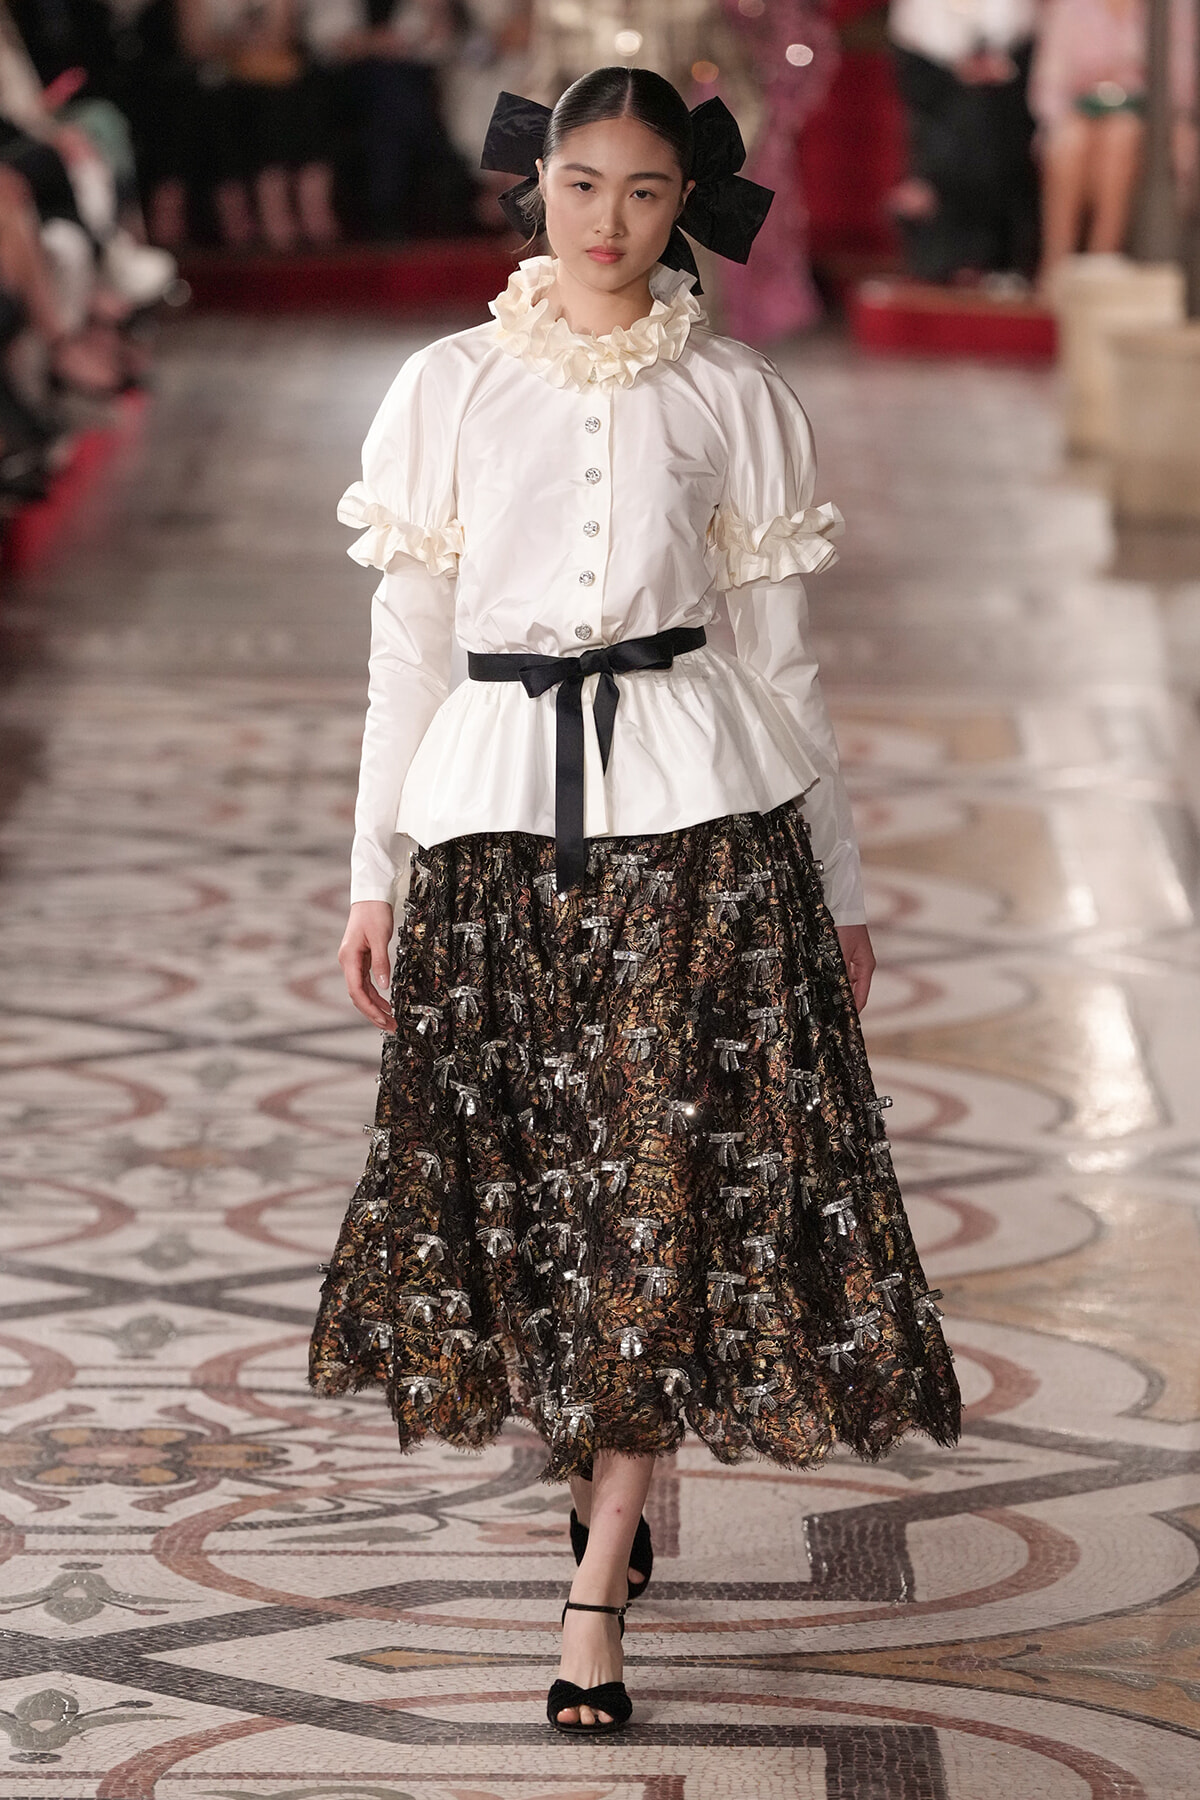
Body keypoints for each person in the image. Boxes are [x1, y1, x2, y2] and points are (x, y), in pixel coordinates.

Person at [308, 65, 961, 1735]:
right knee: (542, 1190)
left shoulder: (733, 396)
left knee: (667, 1188)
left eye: (648, 190)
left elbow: (785, 668)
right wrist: (373, 874)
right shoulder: (446, 389)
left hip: (701, 836)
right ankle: (607, 1453)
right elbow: (405, 655)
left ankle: (596, 1585)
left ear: (690, 207)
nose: (609, 221)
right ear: (535, 184)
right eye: (583, 183)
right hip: (493, 841)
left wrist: (840, 887)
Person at [888, 0, 1040, 285]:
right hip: (938, 116)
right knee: (960, 122)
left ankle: (990, 252)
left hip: (1006, 117)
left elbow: (1030, 60)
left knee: (984, 120)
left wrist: (999, 69)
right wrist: (959, 74)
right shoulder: (917, 13)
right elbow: (914, 81)